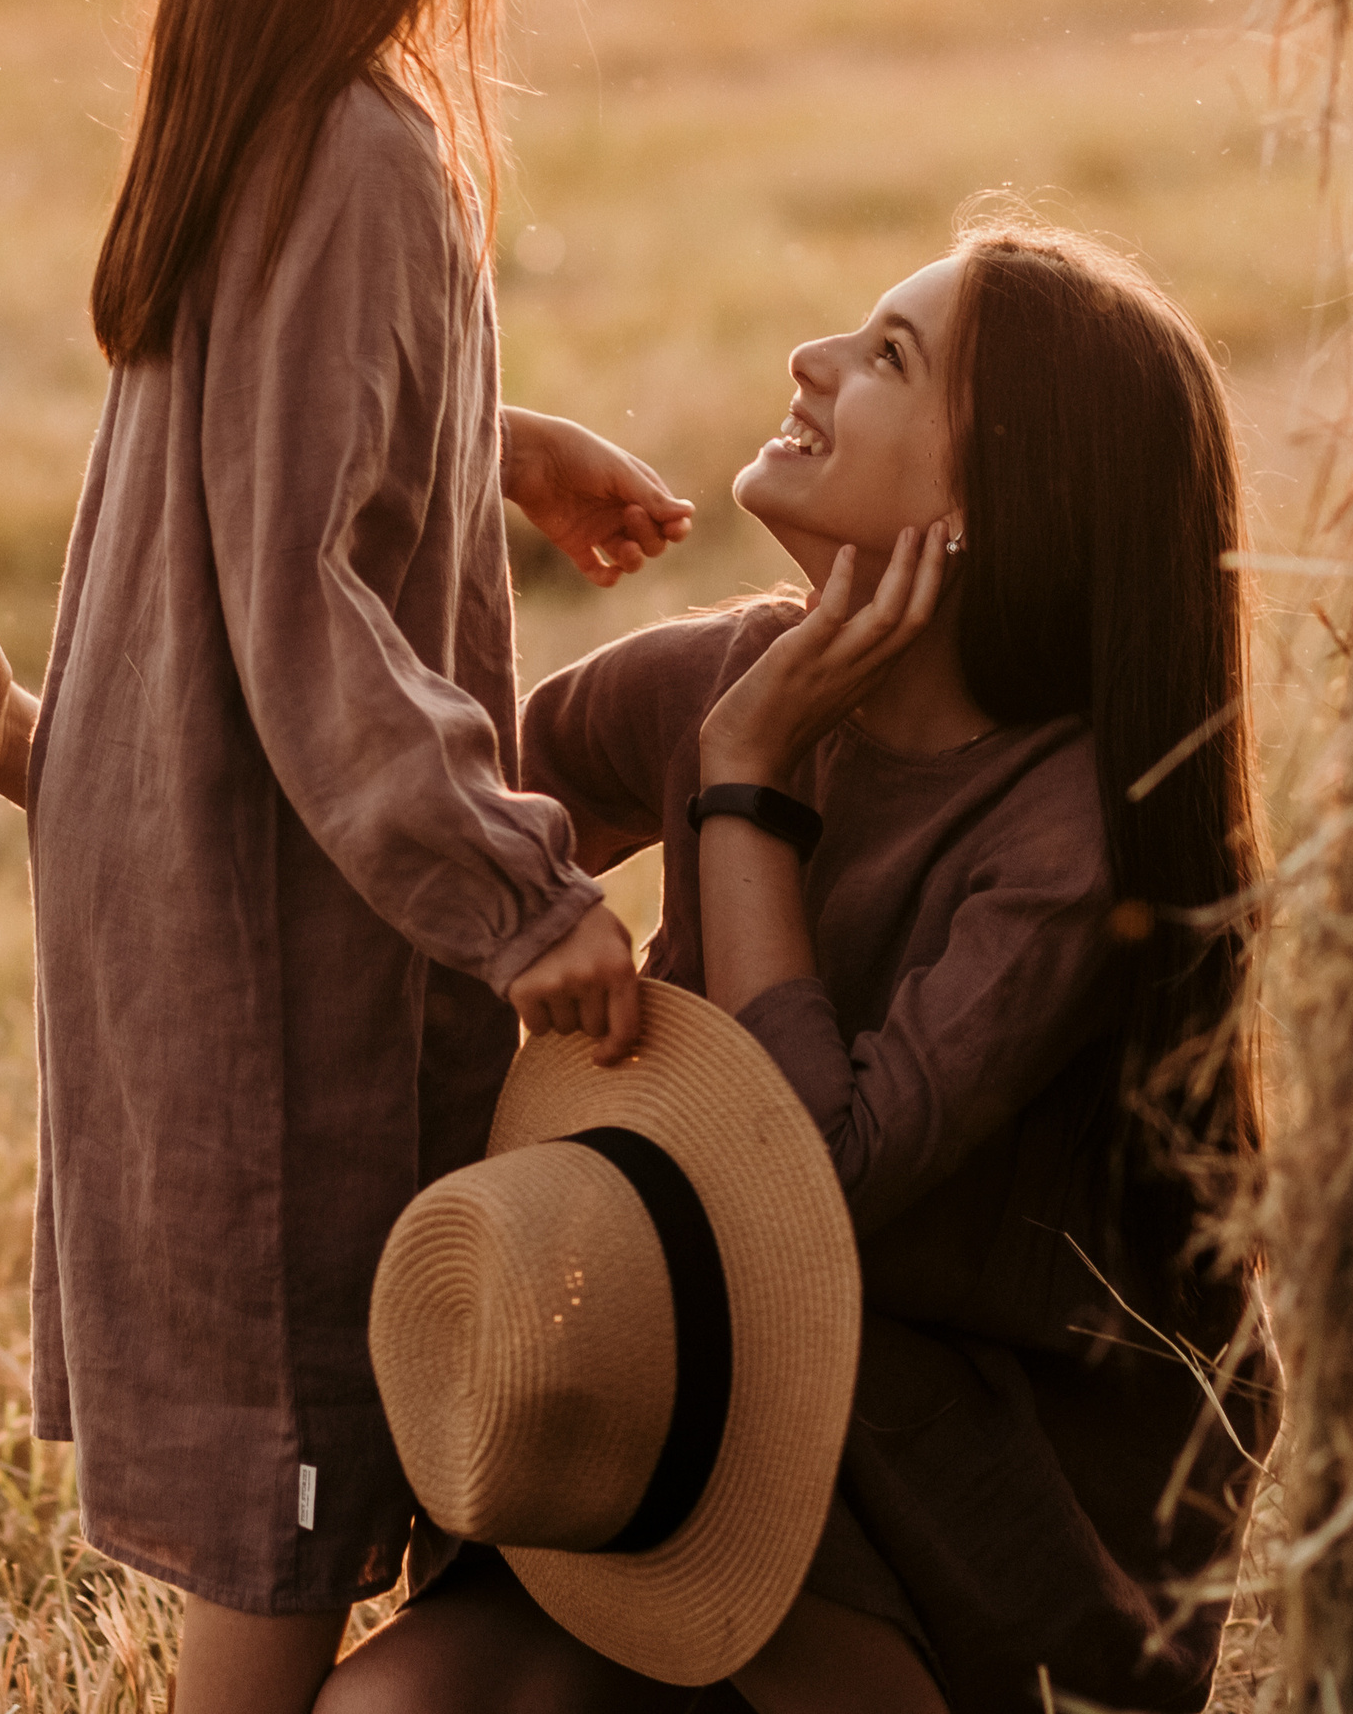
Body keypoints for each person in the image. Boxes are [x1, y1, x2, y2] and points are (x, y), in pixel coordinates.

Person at [0, 0, 695, 1714]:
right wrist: (527, 898)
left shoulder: (251, 128)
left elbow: (266, 484)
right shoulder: (364, 162)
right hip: (272, 988)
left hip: (169, 922)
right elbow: (306, 615)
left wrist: (499, 442)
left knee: (290, 1466)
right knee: (295, 1503)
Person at [325, 216, 1274, 1714]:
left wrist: (749, 780)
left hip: (952, 1455)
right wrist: (463, 465)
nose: (809, 361)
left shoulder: (1067, 838)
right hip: (688, 1386)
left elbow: (815, 1180)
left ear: (999, 500)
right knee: (389, 1709)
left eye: (887, 355)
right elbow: (396, 811)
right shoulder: (720, 674)